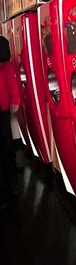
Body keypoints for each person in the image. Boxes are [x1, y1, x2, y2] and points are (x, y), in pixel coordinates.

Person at [0, 35, 20, 209]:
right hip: (3, 106)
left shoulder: (2, 46)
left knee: (6, 143)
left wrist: (15, 98)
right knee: (5, 142)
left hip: (3, 106)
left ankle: (10, 174)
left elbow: (9, 73)